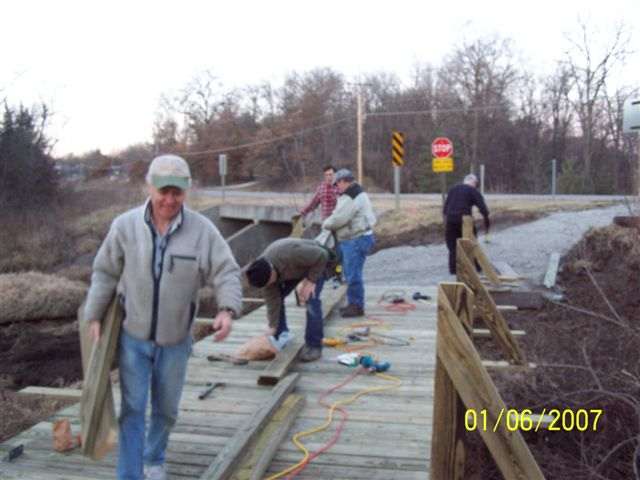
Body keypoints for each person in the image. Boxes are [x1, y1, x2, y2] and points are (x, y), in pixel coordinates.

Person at [84, 154, 242, 480]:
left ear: (187, 191)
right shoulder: (124, 226)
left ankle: (154, 458)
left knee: (166, 411)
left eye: (178, 192)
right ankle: (131, 475)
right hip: (133, 339)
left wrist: (227, 310)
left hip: (176, 342)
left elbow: (226, 271)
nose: (170, 200)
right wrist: (94, 314)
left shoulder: (202, 231)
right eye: (163, 191)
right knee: (132, 410)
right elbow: (104, 273)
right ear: (150, 187)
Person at [245, 238, 330, 362]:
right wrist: (272, 327)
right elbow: (273, 302)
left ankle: (314, 346)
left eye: (269, 282)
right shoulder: (261, 273)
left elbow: (322, 255)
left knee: (311, 301)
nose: (269, 285)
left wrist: (311, 281)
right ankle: (282, 334)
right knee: (277, 296)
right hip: (292, 271)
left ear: (272, 272)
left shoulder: (292, 253)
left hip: (315, 264)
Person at [322, 168, 376, 318]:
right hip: (360, 237)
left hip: (355, 239)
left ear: (344, 181)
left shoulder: (351, 196)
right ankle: (354, 303)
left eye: (337, 183)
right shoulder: (357, 192)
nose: (336, 187)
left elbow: (339, 218)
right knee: (351, 272)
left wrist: (325, 224)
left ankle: (356, 306)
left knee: (352, 274)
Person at [443, 173, 490, 274]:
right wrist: (486, 220)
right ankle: (476, 267)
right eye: (476, 184)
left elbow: (445, 208)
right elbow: (483, 208)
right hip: (465, 221)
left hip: (451, 220)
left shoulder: (453, 189)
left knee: (452, 246)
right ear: (474, 183)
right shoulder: (473, 190)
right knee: (471, 243)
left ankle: (454, 270)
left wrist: (447, 221)